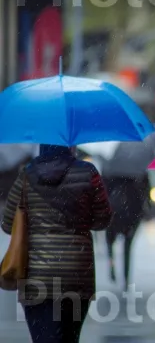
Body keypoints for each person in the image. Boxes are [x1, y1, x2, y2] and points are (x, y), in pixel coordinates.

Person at [1, 144, 112, 343]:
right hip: (76, 275)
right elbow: (102, 220)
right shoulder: (88, 173)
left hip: (36, 277)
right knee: (69, 338)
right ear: (71, 145)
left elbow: (8, 224)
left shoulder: (26, 175)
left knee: (43, 338)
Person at [104, 172, 150, 290]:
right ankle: (126, 278)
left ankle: (112, 268)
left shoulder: (111, 169)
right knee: (127, 247)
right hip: (131, 213)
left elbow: (104, 190)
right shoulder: (138, 171)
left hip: (113, 212)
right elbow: (146, 192)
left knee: (109, 243)